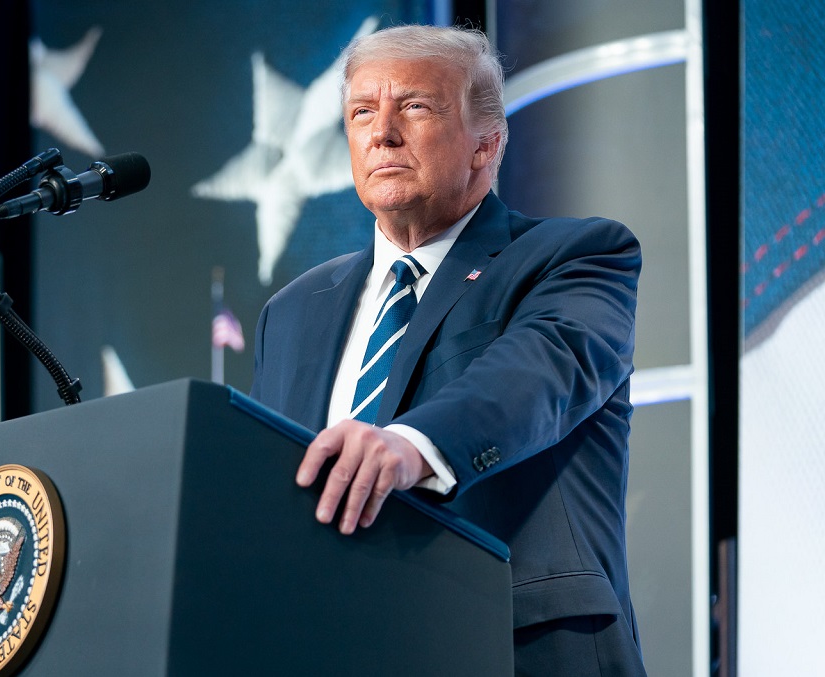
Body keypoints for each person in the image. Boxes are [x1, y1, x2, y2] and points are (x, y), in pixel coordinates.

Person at [248, 24, 647, 676]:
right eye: (361, 113)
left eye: (415, 107)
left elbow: (539, 370)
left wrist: (409, 445)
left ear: (485, 143)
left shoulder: (574, 255)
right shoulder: (290, 312)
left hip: (515, 646)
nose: (382, 133)